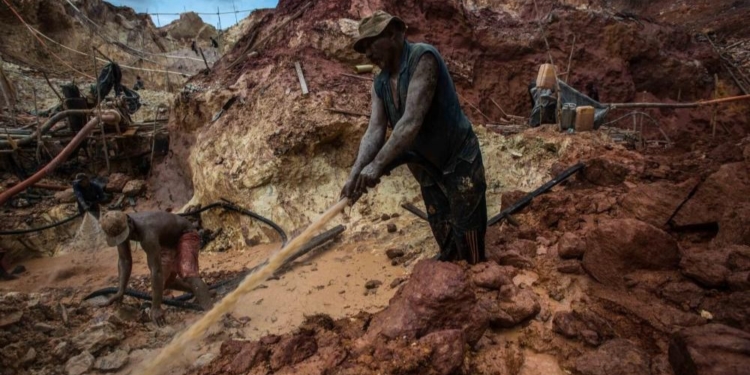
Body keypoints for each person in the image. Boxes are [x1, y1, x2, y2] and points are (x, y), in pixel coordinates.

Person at [341, 11, 487, 264]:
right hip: (425, 168)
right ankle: (452, 283)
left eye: (371, 43)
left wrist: (377, 165)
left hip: (458, 157)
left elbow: (410, 122)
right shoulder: (380, 82)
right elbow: (375, 130)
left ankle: (480, 281)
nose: (367, 54)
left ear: (394, 33)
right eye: (363, 48)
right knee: (444, 233)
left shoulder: (423, 57)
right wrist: (355, 174)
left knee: (470, 239)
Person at [99, 211, 212, 325]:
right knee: (164, 282)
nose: (125, 239)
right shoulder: (120, 227)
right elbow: (124, 260)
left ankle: (213, 315)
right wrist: (121, 290)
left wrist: (156, 307)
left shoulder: (147, 233)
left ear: (129, 222)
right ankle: (202, 292)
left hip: (185, 234)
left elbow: (156, 270)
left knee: (188, 273)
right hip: (165, 242)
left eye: (125, 235)